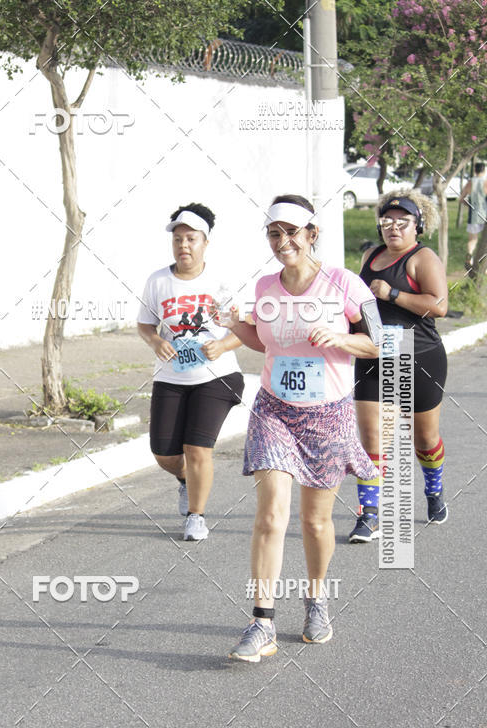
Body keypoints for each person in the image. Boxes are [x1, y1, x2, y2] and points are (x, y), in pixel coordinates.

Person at [225, 194, 380, 659]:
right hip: (274, 410)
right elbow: (262, 340)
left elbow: (380, 343)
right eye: (275, 233)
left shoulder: (345, 284)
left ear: (312, 234)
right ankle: (262, 622)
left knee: (316, 521)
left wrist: (342, 338)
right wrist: (234, 322)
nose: (283, 241)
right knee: (271, 515)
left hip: (327, 414)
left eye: (292, 232)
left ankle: (316, 597)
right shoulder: (266, 287)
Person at [137, 203, 244, 541]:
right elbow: (144, 325)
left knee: (197, 448)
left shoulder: (220, 282)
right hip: (171, 376)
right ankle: (185, 479)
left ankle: (196, 516)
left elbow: (242, 329)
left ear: (205, 243)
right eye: (178, 239)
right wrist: (155, 342)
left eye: (191, 239)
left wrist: (223, 345)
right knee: (165, 454)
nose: (183, 245)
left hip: (217, 376)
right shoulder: (158, 281)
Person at [350, 190, 448, 543]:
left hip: (417, 355)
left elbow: (438, 305)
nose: (393, 227)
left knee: (424, 438)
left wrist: (391, 294)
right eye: (387, 221)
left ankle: (434, 490)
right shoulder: (370, 254)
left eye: (402, 222)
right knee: (372, 438)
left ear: (417, 226)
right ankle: (370, 515)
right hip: (373, 354)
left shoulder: (423, 258)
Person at [459, 163, 487, 269]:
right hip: (485, 215)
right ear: (484, 171)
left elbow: (461, 199)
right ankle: (484, 267)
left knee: (472, 240)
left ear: (475, 170)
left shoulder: (470, 183)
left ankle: (469, 257)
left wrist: (469, 205)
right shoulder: (485, 182)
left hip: (473, 215)